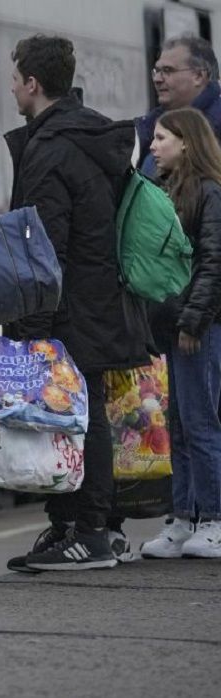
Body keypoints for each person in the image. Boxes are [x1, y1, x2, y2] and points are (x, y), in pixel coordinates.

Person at [0, 35, 150, 571]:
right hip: (98, 300)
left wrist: (32, 326)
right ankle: (79, 525)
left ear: (34, 84)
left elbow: (44, 246)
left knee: (79, 419)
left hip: (70, 308)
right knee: (81, 416)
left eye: (15, 78)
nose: (12, 87)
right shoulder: (86, 136)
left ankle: (90, 531)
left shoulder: (52, 147)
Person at [140, 107, 221, 559]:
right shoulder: (162, 191)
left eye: (161, 138)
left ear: (187, 142)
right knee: (179, 427)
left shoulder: (210, 194)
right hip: (172, 324)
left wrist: (194, 319)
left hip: (199, 327)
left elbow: (214, 263)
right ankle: (183, 518)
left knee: (201, 422)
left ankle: (214, 518)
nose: (153, 146)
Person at [137, 35, 221, 176]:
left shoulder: (215, 125)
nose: (157, 79)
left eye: (168, 71)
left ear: (198, 76)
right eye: (156, 71)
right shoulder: (152, 122)